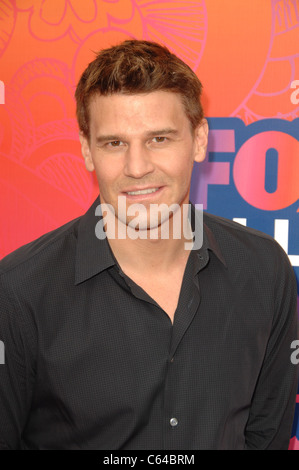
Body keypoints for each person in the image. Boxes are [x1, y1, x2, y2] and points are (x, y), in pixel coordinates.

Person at [0, 40, 298, 451]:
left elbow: (268, 435)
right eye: (115, 143)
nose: (137, 168)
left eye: (159, 139)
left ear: (198, 140)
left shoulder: (265, 269)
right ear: (87, 150)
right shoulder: (18, 291)